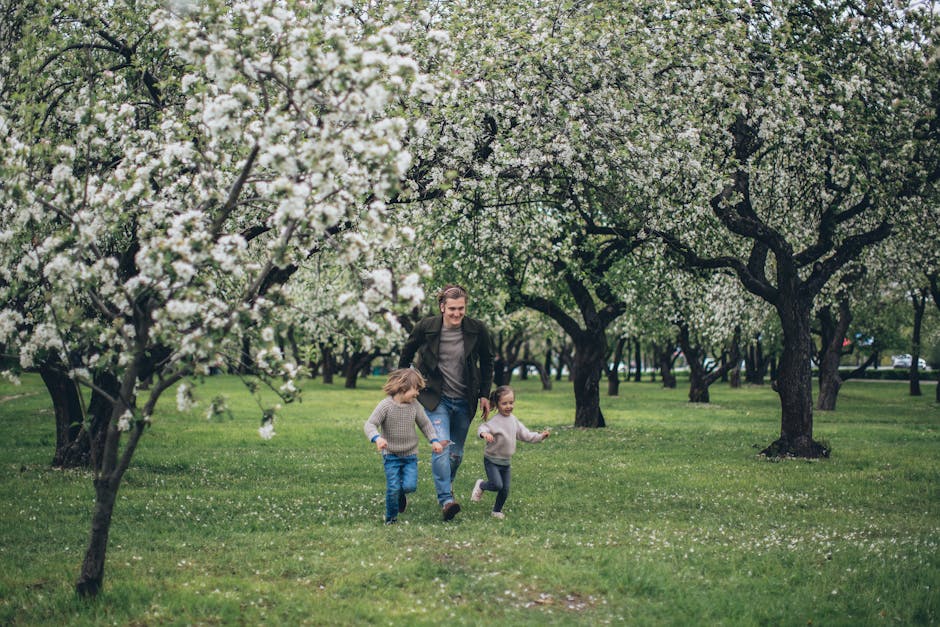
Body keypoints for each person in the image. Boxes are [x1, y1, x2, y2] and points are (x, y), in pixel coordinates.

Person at [398, 284, 495, 521]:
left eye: (461, 308)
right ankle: (446, 501)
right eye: (452, 308)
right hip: (435, 397)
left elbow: (488, 360)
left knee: (456, 454)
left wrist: (484, 394)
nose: (456, 313)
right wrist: (402, 384)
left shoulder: (476, 329)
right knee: (441, 446)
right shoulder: (426, 327)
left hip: (465, 398)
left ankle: (446, 486)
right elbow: (406, 353)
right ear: (442, 307)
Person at [364, 368, 443, 525]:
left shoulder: (415, 406)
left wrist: (434, 440)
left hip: (409, 455)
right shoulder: (386, 405)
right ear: (403, 387)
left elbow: (425, 424)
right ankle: (391, 518)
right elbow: (370, 424)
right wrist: (377, 438)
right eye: (416, 389)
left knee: (409, 486)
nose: (417, 394)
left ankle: (401, 494)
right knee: (393, 487)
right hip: (391, 455)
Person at [471, 385, 550, 519]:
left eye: (511, 403)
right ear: (497, 404)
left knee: (505, 489)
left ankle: (496, 511)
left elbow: (525, 435)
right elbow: (483, 427)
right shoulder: (495, 421)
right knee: (496, 485)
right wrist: (484, 434)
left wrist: (540, 436)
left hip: (505, 462)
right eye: (504, 403)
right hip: (492, 460)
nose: (509, 406)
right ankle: (481, 485)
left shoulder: (514, 421)